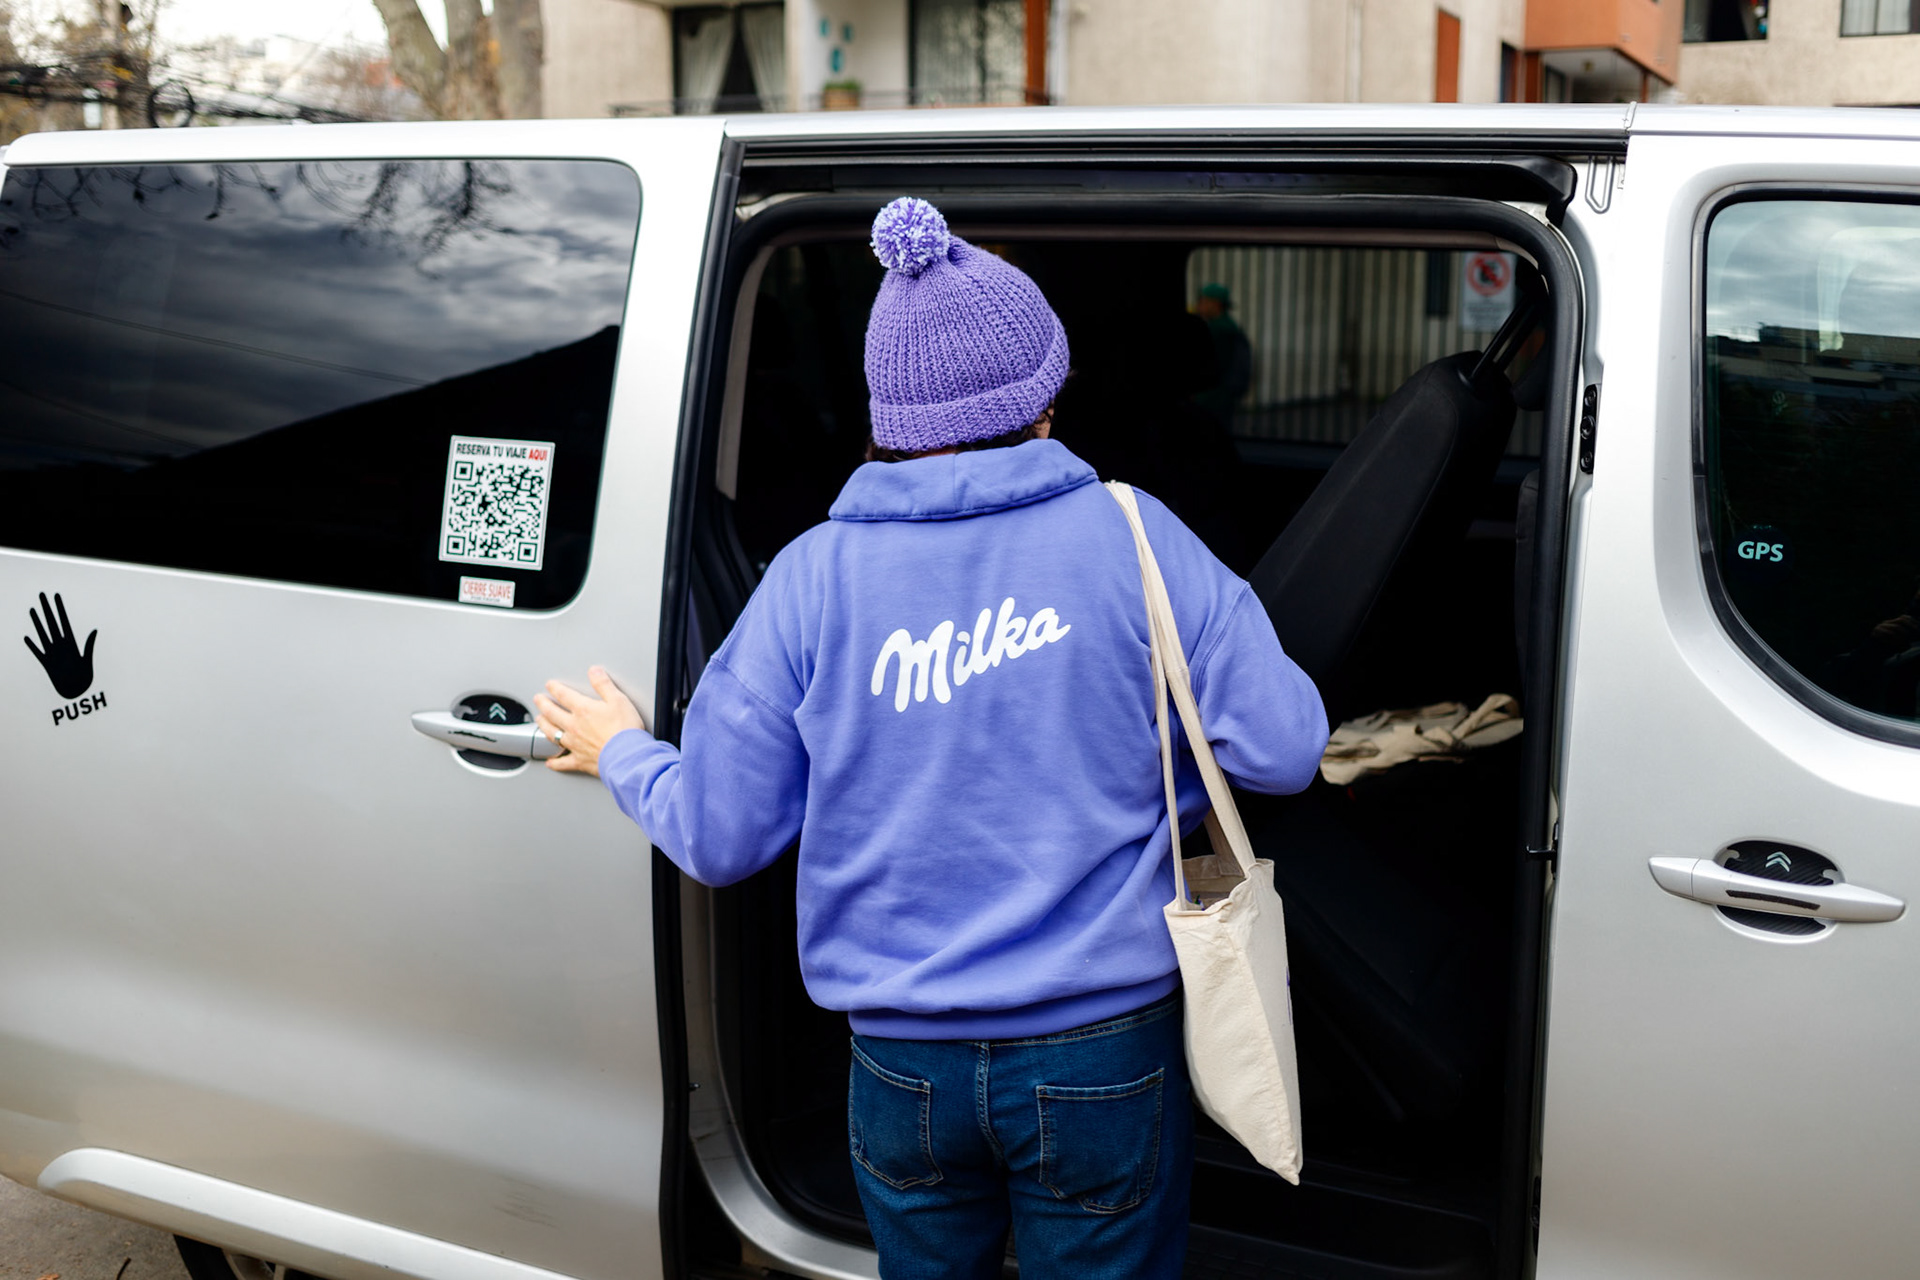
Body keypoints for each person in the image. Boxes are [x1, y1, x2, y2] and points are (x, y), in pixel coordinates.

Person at [533, 197, 1328, 1280]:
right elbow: (1285, 748)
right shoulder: (1135, 536)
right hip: (1103, 1051)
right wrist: (1150, 761)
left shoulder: (809, 579)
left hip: (901, 1066)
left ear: (887, 419)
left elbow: (721, 836)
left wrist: (623, 748)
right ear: (1045, 399)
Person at [1192, 281, 1252, 431]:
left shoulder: (1217, 329)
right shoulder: (1227, 325)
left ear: (1215, 304)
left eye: (1203, 301)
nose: (1199, 305)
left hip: (1212, 395)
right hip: (1221, 393)